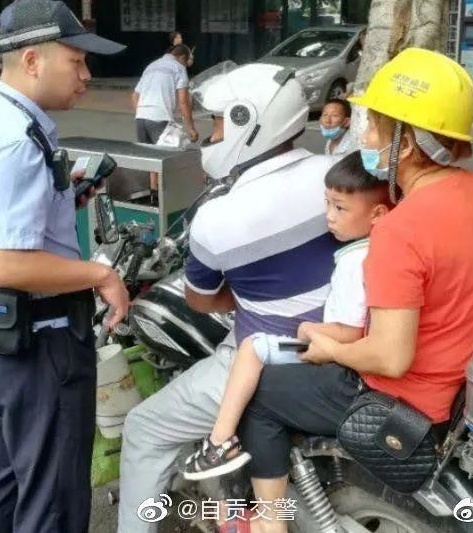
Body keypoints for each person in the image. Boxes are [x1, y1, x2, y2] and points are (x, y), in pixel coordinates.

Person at [236, 49, 473, 533]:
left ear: (405, 143)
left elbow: (390, 357)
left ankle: (269, 522)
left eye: (371, 127)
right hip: (466, 393)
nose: (363, 138)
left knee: (260, 394)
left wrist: (330, 349)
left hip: (413, 402)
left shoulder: (401, 228)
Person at [118, 63, 338, 533]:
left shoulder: (218, 219)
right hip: (339, 343)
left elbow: (200, 301)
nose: (211, 136)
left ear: (247, 121)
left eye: (218, 123)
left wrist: (242, 302)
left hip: (268, 358)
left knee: (143, 428)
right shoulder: (334, 176)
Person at [0, 0, 130, 533]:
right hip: (41, 344)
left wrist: (63, 197)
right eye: (75, 62)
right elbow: (9, 264)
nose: (86, 75)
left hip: (1, 338)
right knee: (51, 499)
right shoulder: (16, 140)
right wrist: (103, 275)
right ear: (32, 61)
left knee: (3, 482)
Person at [184, 152, 393, 479]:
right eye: (327, 204)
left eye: (340, 208)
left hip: (332, 354)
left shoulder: (356, 261)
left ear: (378, 213)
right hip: (343, 355)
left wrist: (310, 329)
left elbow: (352, 331)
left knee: (253, 349)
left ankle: (219, 443)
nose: (329, 217)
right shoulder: (372, 249)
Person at [132, 44, 198, 145]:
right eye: (186, 61)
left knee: (146, 157)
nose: (186, 65)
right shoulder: (179, 68)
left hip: (140, 119)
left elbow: (135, 95)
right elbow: (183, 102)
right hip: (160, 118)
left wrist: (144, 113)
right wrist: (191, 128)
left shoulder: (151, 66)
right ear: (182, 57)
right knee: (165, 155)